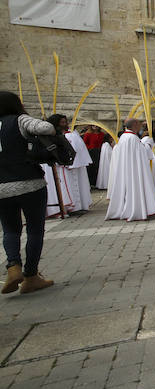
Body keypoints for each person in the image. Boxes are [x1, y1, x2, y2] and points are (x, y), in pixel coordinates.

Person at [0, 91, 55, 294]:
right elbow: (46, 127)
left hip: (1, 187)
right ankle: (31, 276)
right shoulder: (19, 120)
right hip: (29, 182)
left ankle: (13, 266)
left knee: (10, 229)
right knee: (34, 229)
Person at [106, 118, 155, 222]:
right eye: (139, 123)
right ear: (135, 124)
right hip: (134, 170)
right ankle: (136, 210)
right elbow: (142, 154)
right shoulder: (132, 138)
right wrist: (148, 145)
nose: (141, 126)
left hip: (128, 169)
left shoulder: (124, 137)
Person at [49, 114, 92, 213]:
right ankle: (70, 207)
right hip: (63, 166)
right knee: (67, 187)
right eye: (62, 122)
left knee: (78, 185)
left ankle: (79, 206)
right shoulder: (55, 136)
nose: (65, 124)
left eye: (65, 122)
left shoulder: (72, 134)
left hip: (74, 164)